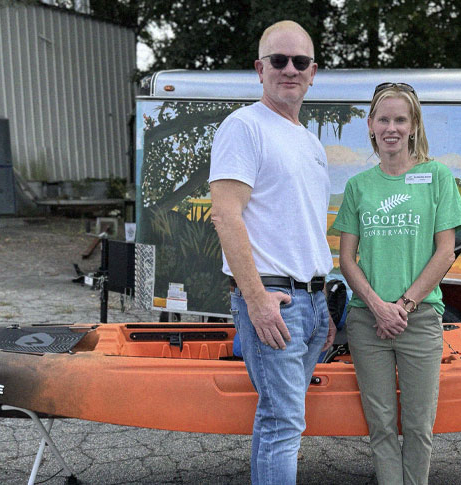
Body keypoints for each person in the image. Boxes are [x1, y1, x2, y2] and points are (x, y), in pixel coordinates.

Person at [208, 20, 336, 485]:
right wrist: (257, 298)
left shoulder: (309, 141)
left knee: (279, 420)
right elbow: (225, 215)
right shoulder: (244, 126)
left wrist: (323, 302)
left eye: (299, 62)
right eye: (278, 61)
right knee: (285, 424)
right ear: (258, 69)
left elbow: (303, 230)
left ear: (313, 71)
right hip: (275, 301)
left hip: (311, 303)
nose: (289, 69)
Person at [333, 82, 461, 485]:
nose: (391, 127)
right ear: (371, 126)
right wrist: (378, 307)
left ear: (413, 126)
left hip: (421, 319)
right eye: (383, 119)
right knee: (381, 428)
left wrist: (404, 306)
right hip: (367, 323)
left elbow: (445, 252)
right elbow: (345, 259)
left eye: (400, 119)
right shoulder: (359, 186)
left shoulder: (437, 176)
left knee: (419, 428)